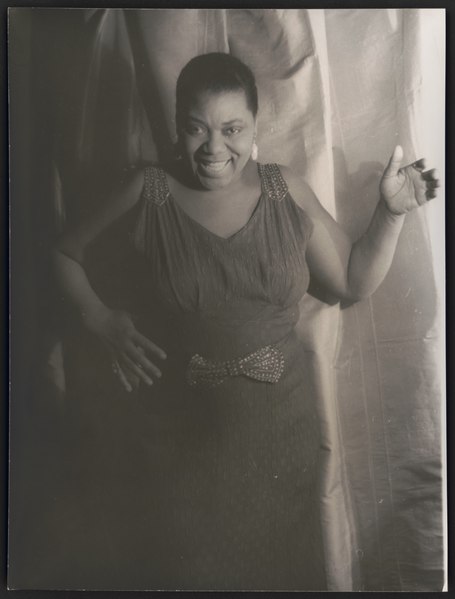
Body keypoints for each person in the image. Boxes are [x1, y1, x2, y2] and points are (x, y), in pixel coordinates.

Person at [53, 53, 439, 590]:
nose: (214, 148)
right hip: (179, 454)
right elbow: (62, 255)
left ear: (256, 126)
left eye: (232, 129)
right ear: (177, 127)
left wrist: (391, 214)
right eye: (196, 128)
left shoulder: (285, 189)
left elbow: (352, 280)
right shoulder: (149, 191)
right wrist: (100, 319)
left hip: (282, 446)